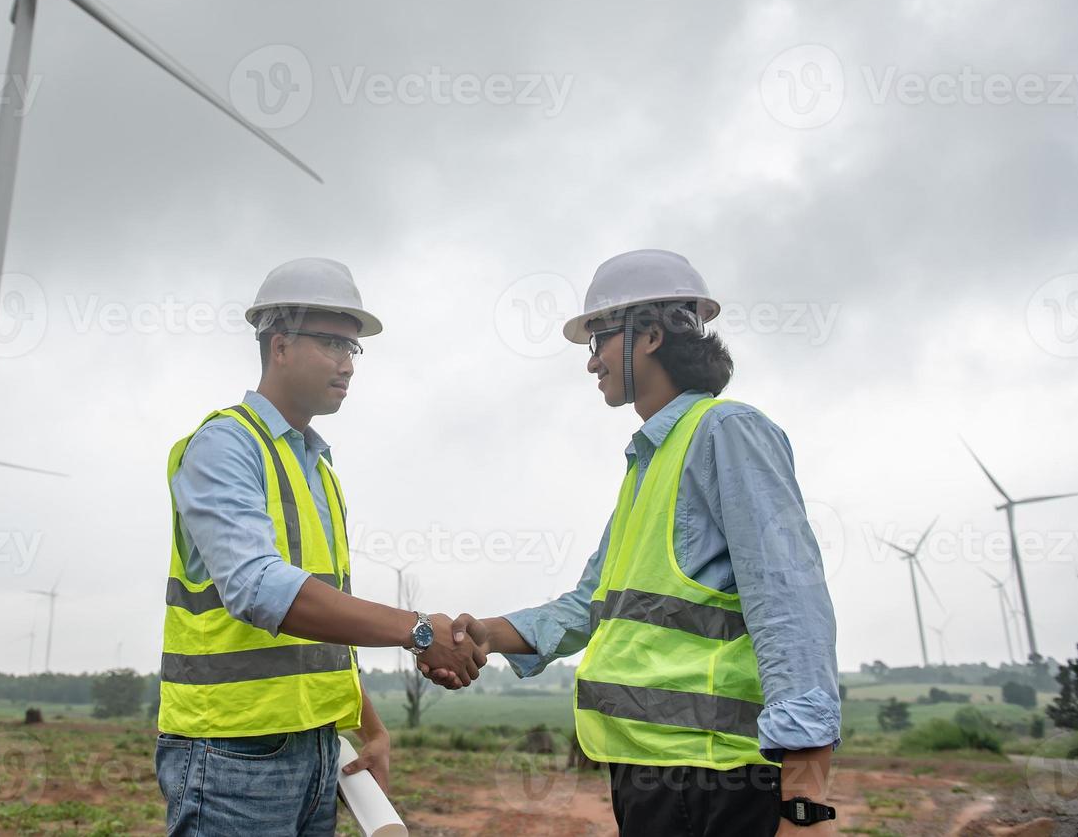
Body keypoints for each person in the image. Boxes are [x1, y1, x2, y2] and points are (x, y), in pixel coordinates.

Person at [422, 249, 840, 835]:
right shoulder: (650, 463)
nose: (591, 362)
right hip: (651, 772)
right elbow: (590, 604)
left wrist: (804, 780)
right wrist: (488, 635)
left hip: (714, 773)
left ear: (648, 334)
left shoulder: (728, 431)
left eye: (598, 341)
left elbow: (789, 599)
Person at [156, 257, 488, 837]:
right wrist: (419, 630)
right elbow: (260, 590)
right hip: (232, 756)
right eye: (333, 343)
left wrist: (373, 728)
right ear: (279, 345)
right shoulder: (222, 447)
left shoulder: (317, 467)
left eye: (353, 349)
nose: (347, 364)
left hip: (317, 752)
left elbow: (322, 630)